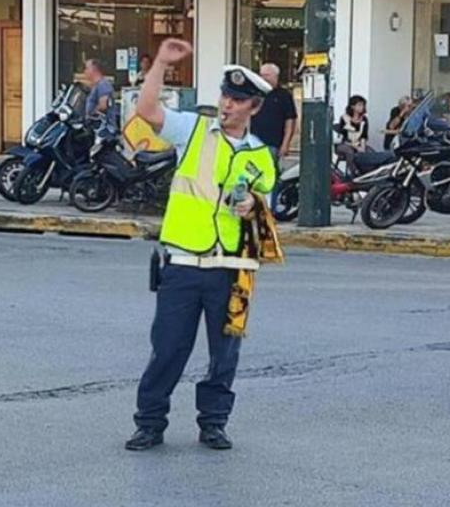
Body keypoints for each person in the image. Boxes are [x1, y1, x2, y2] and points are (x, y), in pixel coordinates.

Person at [125, 39, 277, 452]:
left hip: (234, 267)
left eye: (238, 100)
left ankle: (214, 423)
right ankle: (149, 423)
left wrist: (253, 204)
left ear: (254, 108)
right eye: (225, 95)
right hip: (183, 262)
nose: (227, 105)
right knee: (168, 349)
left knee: (225, 353)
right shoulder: (193, 130)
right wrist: (160, 63)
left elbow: (266, 207)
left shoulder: (262, 156)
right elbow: (147, 111)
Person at [251, 62, 298, 161]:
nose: (263, 78)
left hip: (273, 144)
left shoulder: (284, 95)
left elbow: (290, 121)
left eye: (267, 75)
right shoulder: (255, 93)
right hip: (253, 143)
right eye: (261, 75)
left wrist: (285, 144)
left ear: (275, 76)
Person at [334, 95, 371, 175]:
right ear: (353, 106)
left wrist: (362, 147)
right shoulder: (344, 118)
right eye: (359, 105)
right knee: (349, 151)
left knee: (369, 151)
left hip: (358, 143)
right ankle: (354, 172)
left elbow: (364, 136)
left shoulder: (364, 119)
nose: (362, 107)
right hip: (345, 143)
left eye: (363, 105)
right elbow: (342, 135)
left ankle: (366, 171)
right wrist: (355, 146)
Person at [82, 58, 119, 127]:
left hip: (104, 128)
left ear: (94, 69)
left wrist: (91, 113)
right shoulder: (96, 85)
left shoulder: (103, 84)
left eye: (86, 68)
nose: (84, 71)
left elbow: (103, 105)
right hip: (96, 127)